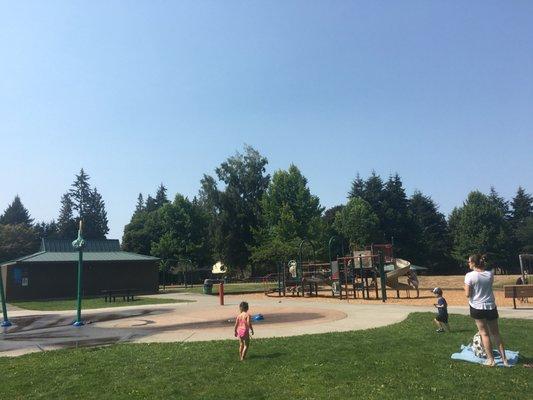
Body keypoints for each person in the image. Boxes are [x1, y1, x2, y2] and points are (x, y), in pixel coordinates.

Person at [465, 254, 509, 367]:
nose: (468, 263)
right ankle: (505, 360)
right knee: (496, 334)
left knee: (484, 334)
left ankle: (491, 360)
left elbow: (467, 294)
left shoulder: (469, 276)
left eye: (469, 262)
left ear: (474, 263)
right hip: (491, 306)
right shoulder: (490, 274)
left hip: (476, 307)